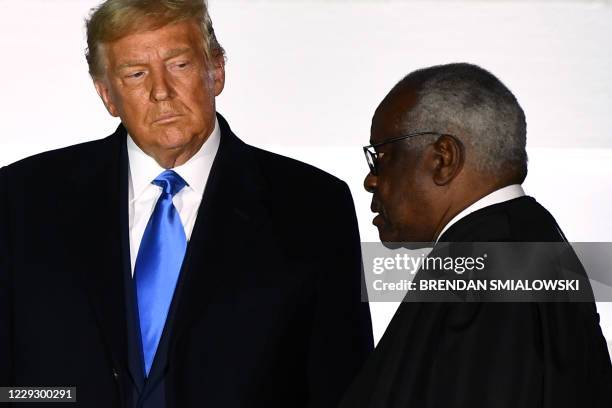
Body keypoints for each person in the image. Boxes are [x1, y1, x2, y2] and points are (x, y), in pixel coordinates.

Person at [0, 1, 373, 407]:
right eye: (136, 74)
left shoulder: (314, 206)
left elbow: (342, 387)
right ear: (107, 94)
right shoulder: (22, 198)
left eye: (179, 65)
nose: (161, 91)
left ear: (217, 70)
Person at [340, 63, 612, 407]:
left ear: (443, 159)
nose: (371, 180)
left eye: (380, 156)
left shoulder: (492, 269)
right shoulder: (522, 246)